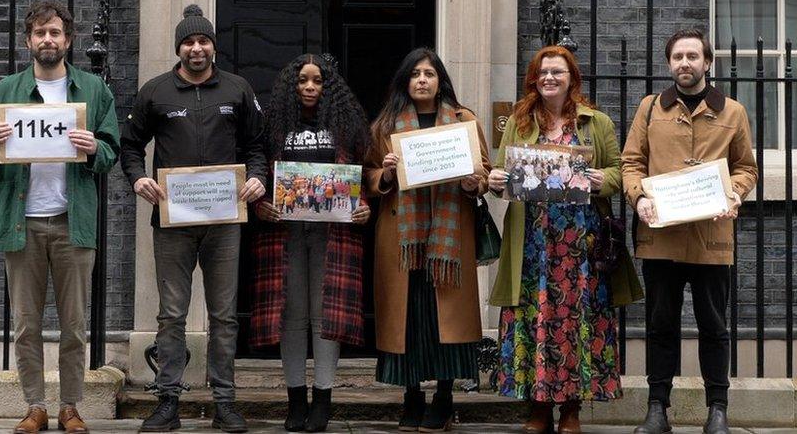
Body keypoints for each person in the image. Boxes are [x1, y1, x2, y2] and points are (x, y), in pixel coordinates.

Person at [0, 1, 120, 434]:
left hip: (73, 222)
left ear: (68, 40)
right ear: (28, 41)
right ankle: (34, 406)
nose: (48, 40)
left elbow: (111, 152)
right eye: (40, 33)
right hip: (23, 222)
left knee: (74, 325)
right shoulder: (5, 91)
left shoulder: (93, 90)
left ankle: (70, 407)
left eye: (55, 33)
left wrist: (95, 148)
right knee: (26, 325)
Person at [120, 5, 267, 433]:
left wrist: (257, 178)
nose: (196, 48)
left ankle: (225, 401)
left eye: (203, 41)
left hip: (224, 220)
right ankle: (167, 401)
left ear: (214, 48)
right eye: (189, 41)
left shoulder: (238, 90)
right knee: (171, 314)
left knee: (223, 315)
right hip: (173, 221)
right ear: (179, 48)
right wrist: (138, 180)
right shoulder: (155, 92)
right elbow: (130, 146)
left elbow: (257, 145)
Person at [488, 45, 641, 434]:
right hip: (533, 240)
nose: (549, 78)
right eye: (542, 73)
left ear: (571, 78)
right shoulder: (518, 124)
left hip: (580, 242)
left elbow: (618, 173)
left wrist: (598, 180)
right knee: (533, 318)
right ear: (533, 80)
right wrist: (494, 181)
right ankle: (537, 409)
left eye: (557, 72)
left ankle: (571, 410)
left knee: (576, 321)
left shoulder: (597, 122)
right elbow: (502, 177)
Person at [622, 28, 758, 434]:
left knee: (714, 326)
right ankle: (657, 409)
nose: (685, 63)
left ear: (707, 62)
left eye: (692, 56)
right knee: (660, 325)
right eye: (677, 57)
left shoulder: (732, 112)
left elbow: (746, 168)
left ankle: (718, 409)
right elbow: (632, 163)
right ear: (669, 63)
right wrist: (638, 198)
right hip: (660, 237)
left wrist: (734, 194)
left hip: (711, 239)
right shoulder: (650, 109)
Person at [365, 47, 491, 432]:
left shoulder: (462, 119)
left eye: (429, 74)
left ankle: (444, 397)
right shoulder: (384, 126)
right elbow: (367, 176)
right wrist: (384, 175)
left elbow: (484, 170)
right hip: (401, 242)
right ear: (406, 80)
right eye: (415, 73)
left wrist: (475, 182)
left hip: (448, 241)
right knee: (410, 318)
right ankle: (411, 396)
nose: (422, 79)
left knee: (444, 320)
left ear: (440, 81)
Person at [249, 54, 372, 432]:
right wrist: (259, 206)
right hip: (283, 231)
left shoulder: (347, 124)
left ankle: (323, 399)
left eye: (317, 81)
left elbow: (365, 174)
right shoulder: (272, 126)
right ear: (292, 84)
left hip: (333, 232)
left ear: (328, 85)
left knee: (325, 316)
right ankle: (295, 400)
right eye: (303, 80)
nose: (309, 88)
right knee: (291, 316)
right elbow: (256, 171)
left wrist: (364, 204)